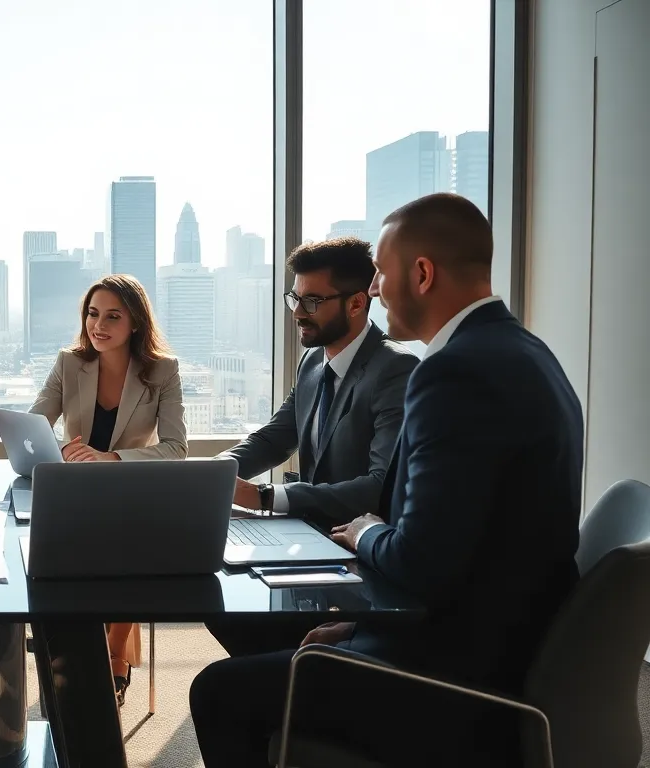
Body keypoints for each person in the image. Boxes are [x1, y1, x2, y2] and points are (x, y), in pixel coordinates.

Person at [190, 193, 584, 767]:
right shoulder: (526, 352)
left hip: (452, 675)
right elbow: (465, 544)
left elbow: (421, 559)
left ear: (421, 274)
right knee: (251, 634)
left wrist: (368, 532)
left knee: (218, 691)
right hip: (490, 638)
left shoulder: (452, 374)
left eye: (380, 273)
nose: (374, 290)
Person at [207, 237, 417, 658]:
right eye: (295, 299)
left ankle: (299, 690)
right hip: (312, 541)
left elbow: (379, 486)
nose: (298, 314)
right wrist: (215, 471)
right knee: (218, 596)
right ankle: (284, 691)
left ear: (357, 303)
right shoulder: (314, 361)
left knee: (237, 623)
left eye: (312, 302)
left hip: (362, 560)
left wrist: (267, 497)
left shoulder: (394, 370)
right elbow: (276, 437)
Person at [29, 273, 186, 706]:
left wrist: (113, 458)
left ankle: (114, 652)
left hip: (134, 491)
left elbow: (176, 448)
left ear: (135, 322)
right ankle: (79, 646)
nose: (99, 324)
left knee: (131, 543)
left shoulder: (163, 370)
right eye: (93, 314)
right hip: (76, 491)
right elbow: (35, 422)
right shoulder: (69, 362)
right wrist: (58, 447)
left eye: (113, 316)